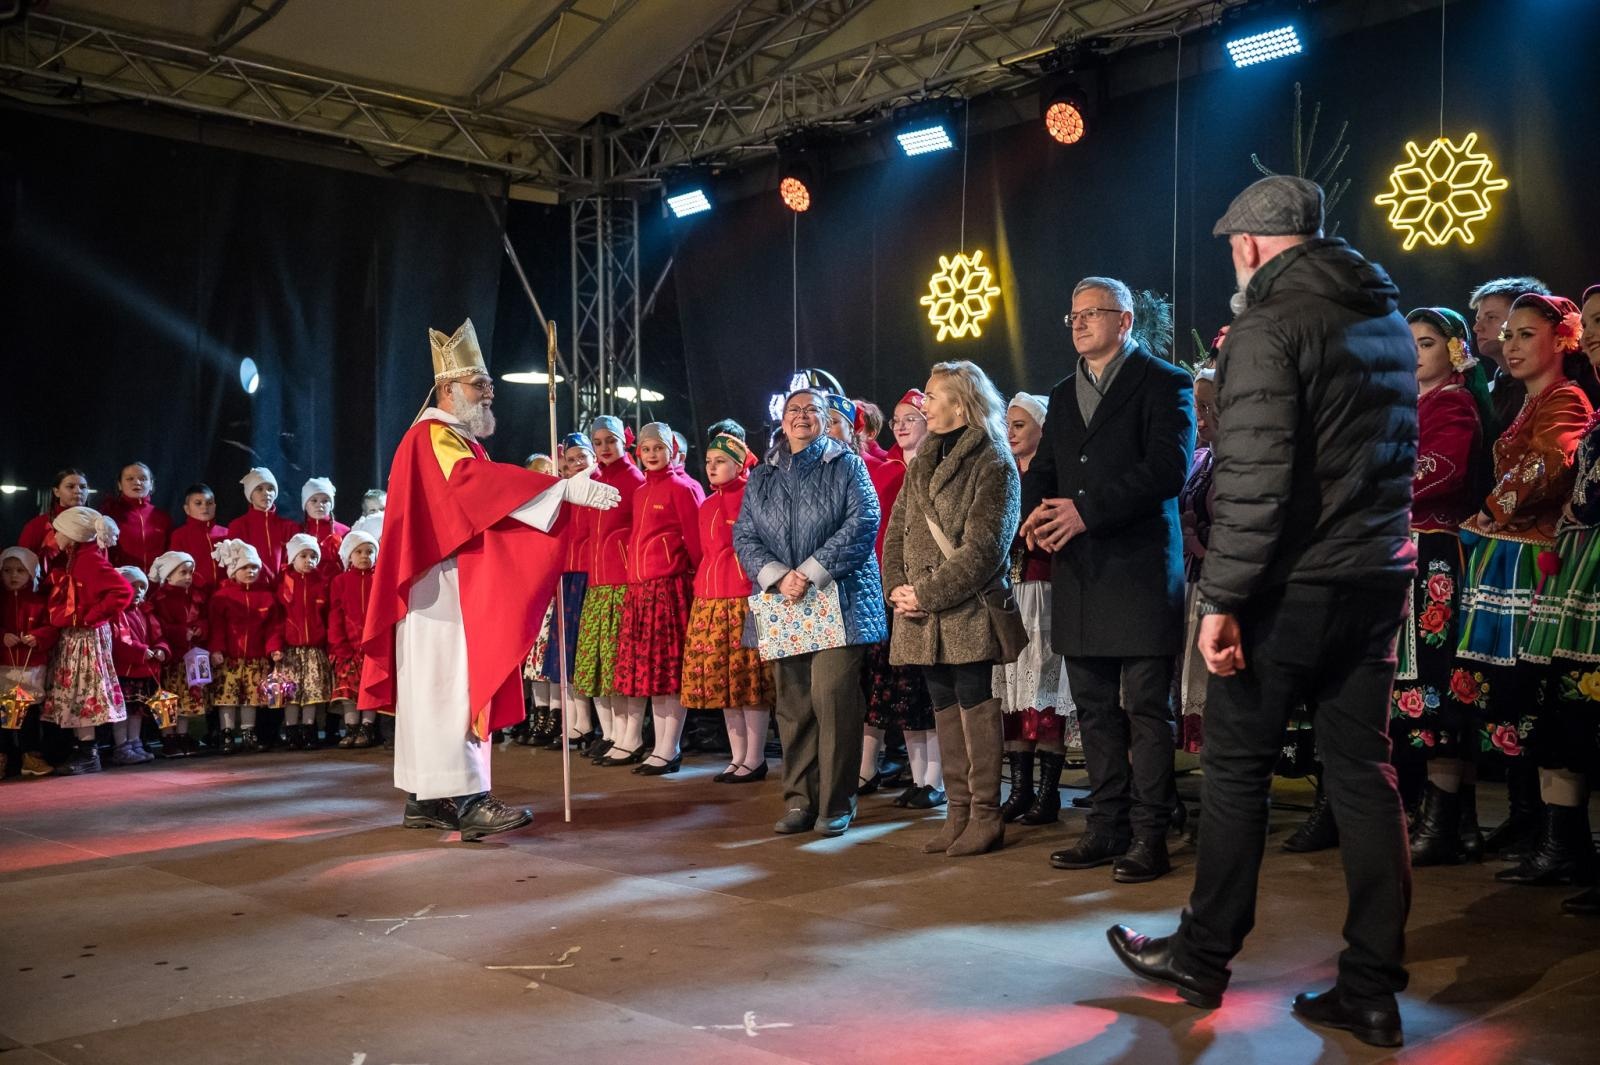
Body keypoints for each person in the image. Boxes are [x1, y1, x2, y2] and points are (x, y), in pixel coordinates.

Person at [1106, 175, 1418, 1048]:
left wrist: (1227, 600)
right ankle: (1371, 984)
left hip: (1290, 586)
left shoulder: (1267, 326)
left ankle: (1202, 958)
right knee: (1364, 772)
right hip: (1375, 577)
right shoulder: (1386, 320)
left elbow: (1254, 478)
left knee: (1237, 770)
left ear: (1248, 244)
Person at [357, 318, 619, 842]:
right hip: (441, 587)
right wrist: (559, 491)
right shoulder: (434, 437)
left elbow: (484, 500)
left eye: (489, 385)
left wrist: (556, 492)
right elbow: (471, 489)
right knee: (452, 687)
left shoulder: (447, 438)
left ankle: (426, 801)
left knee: (436, 688)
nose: (489, 392)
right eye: (480, 385)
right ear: (448, 390)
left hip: (441, 585)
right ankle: (470, 801)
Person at [1020, 277, 1194, 885]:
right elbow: (1042, 471)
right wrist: (1036, 518)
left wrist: (1086, 510)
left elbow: (1168, 470)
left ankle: (1150, 836)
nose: (1080, 323)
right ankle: (1106, 827)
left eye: (1093, 313)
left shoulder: (1166, 381)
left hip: (1139, 572)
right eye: (1073, 315)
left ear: (1125, 321)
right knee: (1093, 712)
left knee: (1147, 711)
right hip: (1080, 574)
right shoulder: (1064, 394)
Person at [1480, 294, 1596, 891]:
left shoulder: (1566, 399)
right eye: (1509, 335)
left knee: (1546, 697)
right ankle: (1548, 832)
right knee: (1526, 700)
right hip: (1520, 556)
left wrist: (1492, 508)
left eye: (1527, 334)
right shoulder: (1531, 403)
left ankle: (1559, 838)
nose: (1512, 344)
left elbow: (1551, 464)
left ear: (1563, 340)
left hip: (1543, 561)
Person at [882, 361, 1021, 856]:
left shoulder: (994, 463)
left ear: (960, 403)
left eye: (933, 395)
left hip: (964, 611)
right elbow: (896, 532)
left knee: (973, 702)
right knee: (941, 704)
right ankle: (956, 812)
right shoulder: (921, 462)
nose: (924, 403)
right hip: (920, 613)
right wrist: (897, 587)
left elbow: (985, 550)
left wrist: (925, 594)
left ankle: (986, 814)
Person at [735, 385, 885, 837]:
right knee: (795, 706)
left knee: (833, 700)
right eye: (794, 410)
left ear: (826, 417)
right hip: (785, 602)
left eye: (812, 410)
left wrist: (811, 570)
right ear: (783, 421)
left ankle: (837, 801)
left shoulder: (847, 465)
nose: (802, 417)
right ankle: (800, 799)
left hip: (838, 601)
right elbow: (744, 536)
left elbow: (864, 522)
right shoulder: (761, 476)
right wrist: (781, 576)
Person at [1386, 308, 1489, 866]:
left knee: (1434, 682)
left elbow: (1439, 469)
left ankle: (1443, 818)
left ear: (1452, 350)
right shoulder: (1410, 404)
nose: (1412, 353)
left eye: (1424, 343)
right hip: (1408, 554)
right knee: (1417, 684)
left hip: (1435, 557)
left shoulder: (1454, 403)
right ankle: (1455, 820)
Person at [996, 393, 1077, 824]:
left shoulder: (1055, 478)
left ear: (1042, 430)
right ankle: (1020, 789)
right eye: (1007, 424)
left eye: (1020, 425)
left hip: (1043, 590)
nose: (1010, 433)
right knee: (1012, 690)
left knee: (1043, 688)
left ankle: (1048, 793)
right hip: (1010, 590)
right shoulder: (1004, 474)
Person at [609, 422, 705, 773]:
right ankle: (658, 745)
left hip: (669, 588)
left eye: (658, 449)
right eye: (646, 449)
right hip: (641, 591)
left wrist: (696, 584)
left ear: (672, 451)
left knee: (669, 670)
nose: (651, 455)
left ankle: (669, 746)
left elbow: (696, 544)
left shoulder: (683, 488)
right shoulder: (640, 492)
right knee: (652, 673)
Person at [680, 432, 774, 782]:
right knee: (725, 684)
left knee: (749, 683)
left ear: (738, 463)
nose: (712, 467)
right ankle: (738, 757)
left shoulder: (754, 496)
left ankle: (756, 756)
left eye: (720, 461)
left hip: (743, 598)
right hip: (711, 599)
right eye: (708, 461)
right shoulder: (706, 504)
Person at [860, 389, 934, 799]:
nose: (902, 425)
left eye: (911, 418)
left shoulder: (937, 465)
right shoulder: (885, 470)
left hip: (926, 585)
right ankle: (918, 776)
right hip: (888, 587)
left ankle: (932, 779)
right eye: (897, 419)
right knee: (900, 688)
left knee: (925, 685)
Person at [573, 415, 646, 764]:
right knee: (603, 665)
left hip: (623, 582)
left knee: (622, 663)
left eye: (610, 441)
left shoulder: (634, 479)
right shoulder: (595, 480)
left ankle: (631, 737)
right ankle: (615, 734)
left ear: (624, 441)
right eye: (598, 442)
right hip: (598, 583)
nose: (604, 448)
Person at [42, 507, 134, 776]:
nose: (54, 535)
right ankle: (83, 747)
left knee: (85, 691)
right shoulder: (76, 557)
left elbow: (122, 591)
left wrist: (89, 616)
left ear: (72, 535)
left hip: (86, 636)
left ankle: (88, 751)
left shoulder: (90, 559)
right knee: (76, 692)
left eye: (58, 531)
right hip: (76, 635)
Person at [525, 434, 599, 750]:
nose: (575, 465)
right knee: (565, 656)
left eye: (582, 457)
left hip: (588, 577)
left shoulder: (597, 490)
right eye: (569, 460)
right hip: (563, 577)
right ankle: (572, 721)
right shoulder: (561, 495)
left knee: (581, 654)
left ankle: (584, 724)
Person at [207, 539, 284, 754]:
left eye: (254, 567)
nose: (250, 572)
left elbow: (273, 627)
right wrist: (217, 649)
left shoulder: (266, 597)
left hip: (255, 657)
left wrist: (274, 648)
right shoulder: (222, 597)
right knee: (227, 697)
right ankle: (227, 733)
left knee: (252, 697)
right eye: (245, 568)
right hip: (230, 658)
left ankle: (249, 733)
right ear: (233, 570)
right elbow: (217, 626)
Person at [1176, 364, 1219, 754]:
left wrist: (1194, 534)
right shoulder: (1200, 459)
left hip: (1220, 584)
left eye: (1207, 408)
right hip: (1193, 581)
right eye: (1195, 409)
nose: (1199, 419)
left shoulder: (1239, 461)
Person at [1470, 276, 1552, 436]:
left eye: (1491, 317)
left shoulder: (1548, 390)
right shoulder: (1487, 391)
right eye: (1478, 319)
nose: (1477, 327)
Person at [1, 546, 57, 779]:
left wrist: (39, 636)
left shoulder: (39, 602)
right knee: (3, 712)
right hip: (4, 665)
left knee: (30, 711)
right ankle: (3, 755)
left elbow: (52, 628)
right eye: (7, 570)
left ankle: (30, 755)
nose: (13, 576)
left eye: (20, 571)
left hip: (32, 666)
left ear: (31, 573)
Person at [278, 534, 333, 750]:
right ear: (293, 558)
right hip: (290, 651)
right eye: (303, 555)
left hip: (314, 650)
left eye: (313, 556)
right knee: (291, 694)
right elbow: (277, 618)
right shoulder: (284, 583)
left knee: (312, 692)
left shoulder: (320, 583)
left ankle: (309, 729)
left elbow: (327, 616)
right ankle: (292, 730)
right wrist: (275, 646)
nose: (309, 560)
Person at [149, 550, 206, 756]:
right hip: (171, 659)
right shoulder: (160, 599)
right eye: (183, 573)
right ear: (169, 575)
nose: (188, 577)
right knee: (167, 700)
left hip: (190, 658)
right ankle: (168, 737)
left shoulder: (195, 597)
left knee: (187, 699)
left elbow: (203, 618)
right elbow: (158, 626)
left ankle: (182, 735)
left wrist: (200, 628)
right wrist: (182, 633)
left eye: (190, 572)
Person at [108, 565, 166, 765]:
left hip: (142, 673)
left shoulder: (145, 613)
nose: (139, 591)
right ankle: (121, 746)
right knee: (123, 712)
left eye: (142, 587)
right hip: (124, 672)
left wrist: (161, 649)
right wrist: (141, 651)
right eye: (133, 586)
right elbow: (118, 642)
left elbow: (158, 636)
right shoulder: (116, 614)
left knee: (137, 711)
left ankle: (135, 742)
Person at [328, 530, 379, 750]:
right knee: (348, 692)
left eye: (369, 552)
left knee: (371, 690)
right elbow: (335, 615)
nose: (364, 556)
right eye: (358, 552)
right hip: (348, 649)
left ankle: (367, 727)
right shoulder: (340, 581)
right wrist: (339, 645)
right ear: (349, 555)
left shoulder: (379, 579)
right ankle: (351, 727)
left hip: (373, 649)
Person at [18, 469, 90, 584]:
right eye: (70, 487)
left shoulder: (97, 526)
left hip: (88, 594)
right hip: (48, 594)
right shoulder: (37, 526)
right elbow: (21, 567)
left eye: (83, 487)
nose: (78, 491)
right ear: (56, 491)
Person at [232, 468, 300, 583]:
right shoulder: (238, 526)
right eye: (259, 489)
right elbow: (236, 564)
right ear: (250, 495)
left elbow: (296, 562)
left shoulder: (290, 527)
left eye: (270, 489)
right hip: (254, 591)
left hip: (284, 591)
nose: (266, 493)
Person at [103, 462, 172, 573]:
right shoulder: (109, 516)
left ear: (151, 484)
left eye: (143, 478)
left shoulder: (162, 517)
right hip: (122, 583)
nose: (137, 482)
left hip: (157, 584)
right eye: (130, 479)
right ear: (120, 485)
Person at [168, 484, 229, 593]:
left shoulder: (227, 533)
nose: (204, 507)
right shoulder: (179, 535)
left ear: (214, 506)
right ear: (187, 509)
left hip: (225, 594)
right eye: (198, 503)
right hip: (195, 595)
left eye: (209, 503)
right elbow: (176, 569)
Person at [300, 477, 349, 582]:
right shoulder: (297, 530)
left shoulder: (345, 531)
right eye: (314, 500)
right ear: (305, 504)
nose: (319, 505)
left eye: (325, 501)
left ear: (331, 504)